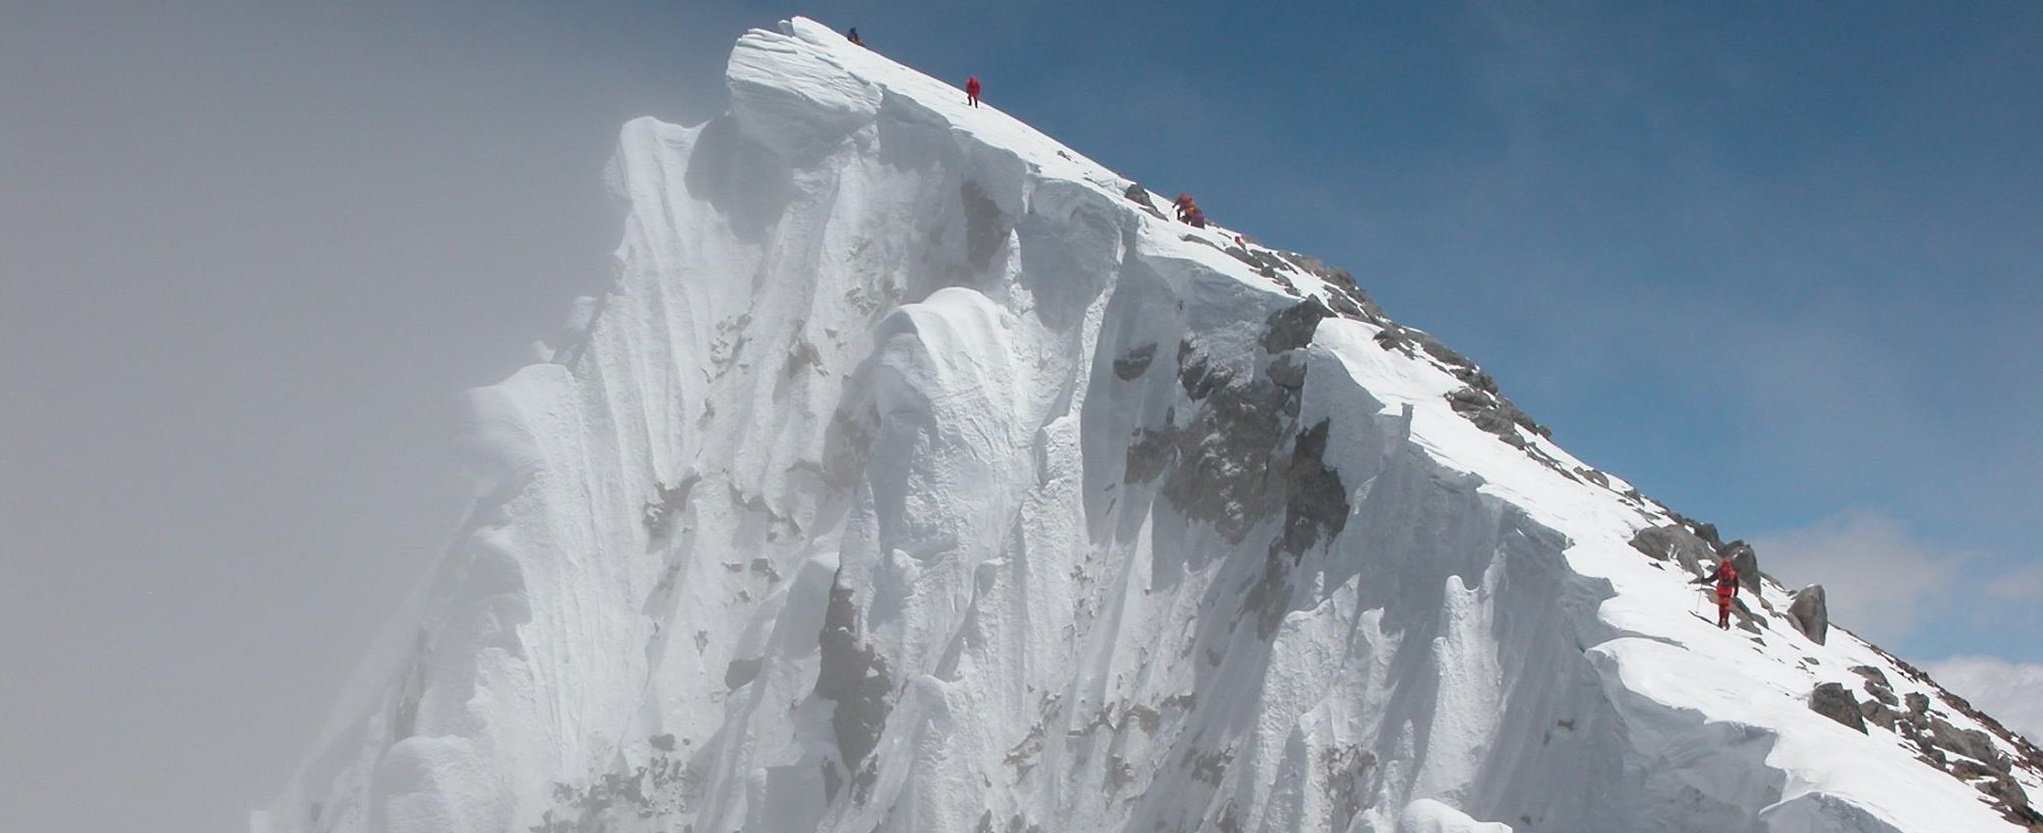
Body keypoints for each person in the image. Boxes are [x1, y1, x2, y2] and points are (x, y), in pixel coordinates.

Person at [1703, 556, 1739, 629]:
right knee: (1726, 606)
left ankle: (1720, 621)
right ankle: (1726, 620)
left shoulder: (1719, 571)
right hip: (1728, 592)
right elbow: (1736, 584)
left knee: (1721, 606)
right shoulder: (1733, 573)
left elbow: (1711, 579)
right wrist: (1735, 592)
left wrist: (1703, 580)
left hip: (1720, 591)